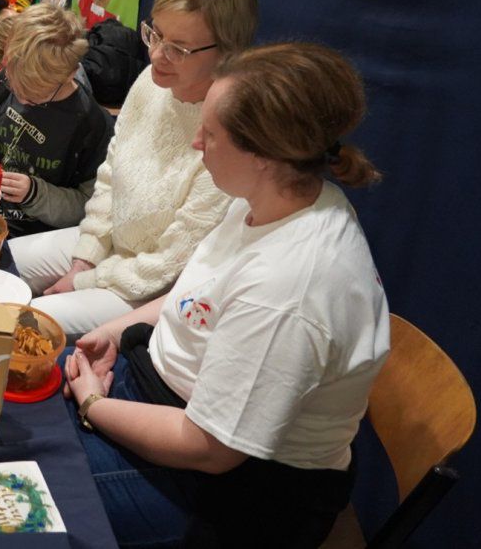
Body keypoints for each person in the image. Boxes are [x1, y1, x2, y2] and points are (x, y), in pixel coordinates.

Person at [63, 42, 389, 547]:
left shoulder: (290, 287)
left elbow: (209, 448)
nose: (196, 142)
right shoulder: (269, 196)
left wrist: (93, 407)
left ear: (262, 155)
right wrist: (112, 330)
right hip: (159, 397)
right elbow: (195, 298)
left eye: (210, 133)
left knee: (26, 486)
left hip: (227, 491)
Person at [10, 0, 258, 336]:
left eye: (178, 48)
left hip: (151, 290)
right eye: (155, 35)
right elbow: (110, 178)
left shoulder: (229, 134)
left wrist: (84, 280)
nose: (157, 55)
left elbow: (166, 269)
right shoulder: (151, 82)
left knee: (22, 325)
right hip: (112, 249)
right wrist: (84, 258)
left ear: (226, 52)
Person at [0, 2, 113, 237]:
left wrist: (35, 194)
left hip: (37, 235)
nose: (21, 99)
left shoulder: (91, 125)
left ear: (69, 75)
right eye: (16, 86)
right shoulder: (5, 81)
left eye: (34, 96)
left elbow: (88, 207)